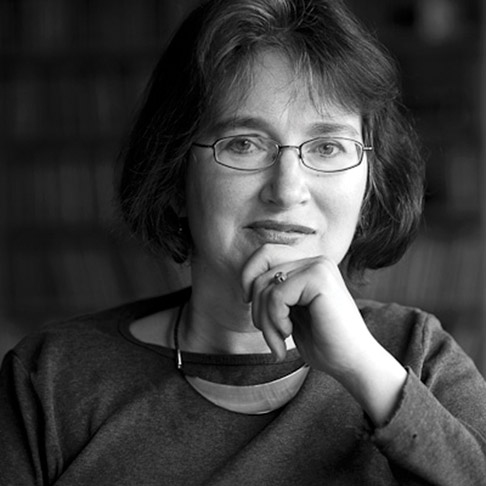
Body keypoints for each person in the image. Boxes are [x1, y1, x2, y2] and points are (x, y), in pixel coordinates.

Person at [1, 0, 486, 484]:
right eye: (244, 143)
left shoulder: (416, 356)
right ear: (175, 176)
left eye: (328, 147)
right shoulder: (49, 381)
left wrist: (366, 372)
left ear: (369, 182)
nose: (288, 190)